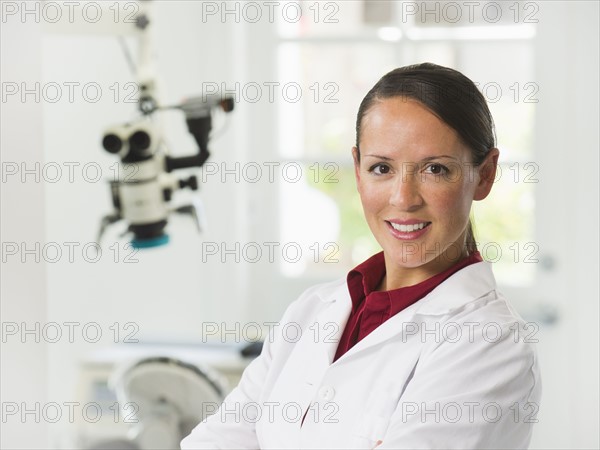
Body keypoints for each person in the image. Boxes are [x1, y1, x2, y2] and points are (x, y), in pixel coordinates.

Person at [181, 63, 542, 449]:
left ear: (484, 175)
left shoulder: (489, 344)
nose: (404, 198)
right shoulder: (312, 310)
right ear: (357, 170)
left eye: (435, 169)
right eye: (381, 168)